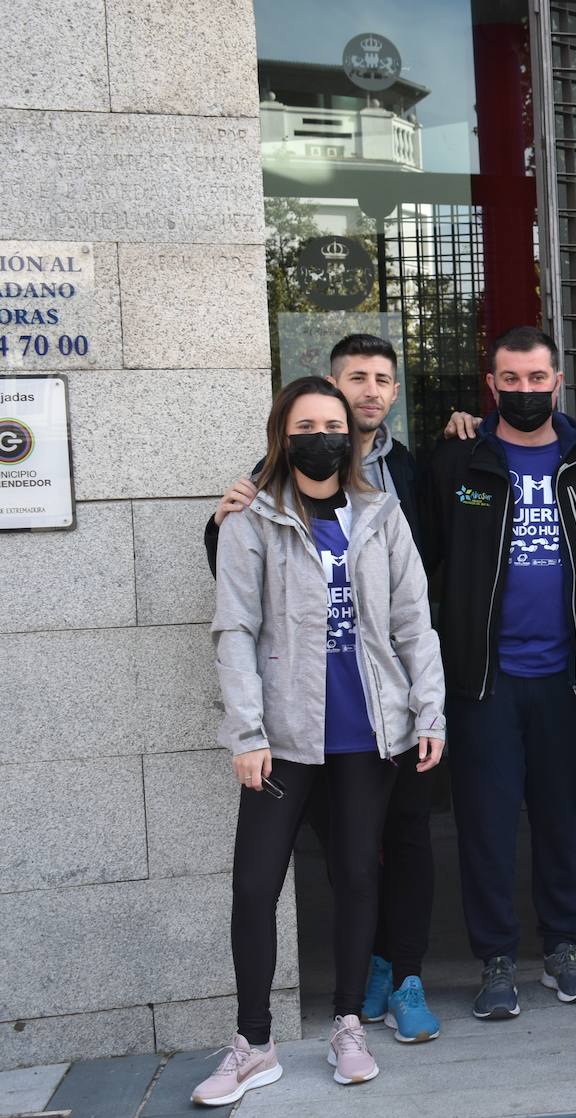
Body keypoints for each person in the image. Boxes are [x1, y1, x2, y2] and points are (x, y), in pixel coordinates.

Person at [194, 377, 444, 1106]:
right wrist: (245, 732)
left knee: (359, 875)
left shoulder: (381, 512)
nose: (322, 435)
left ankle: (346, 1026)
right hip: (283, 736)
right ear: (284, 433)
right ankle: (254, 1043)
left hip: (368, 733)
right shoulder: (253, 519)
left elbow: (412, 623)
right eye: (306, 424)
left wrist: (428, 715)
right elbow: (233, 631)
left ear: (353, 434)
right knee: (254, 887)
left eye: (333, 424)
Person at [426, 325, 576, 1019]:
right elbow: (419, 561)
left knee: (561, 819)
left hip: (566, 680)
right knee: (487, 825)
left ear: (557, 383)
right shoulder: (459, 463)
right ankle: (497, 959)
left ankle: (562, 949)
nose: (525, 391)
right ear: (492, 385)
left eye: (538, 379)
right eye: (512, 380)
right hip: (484, 683)